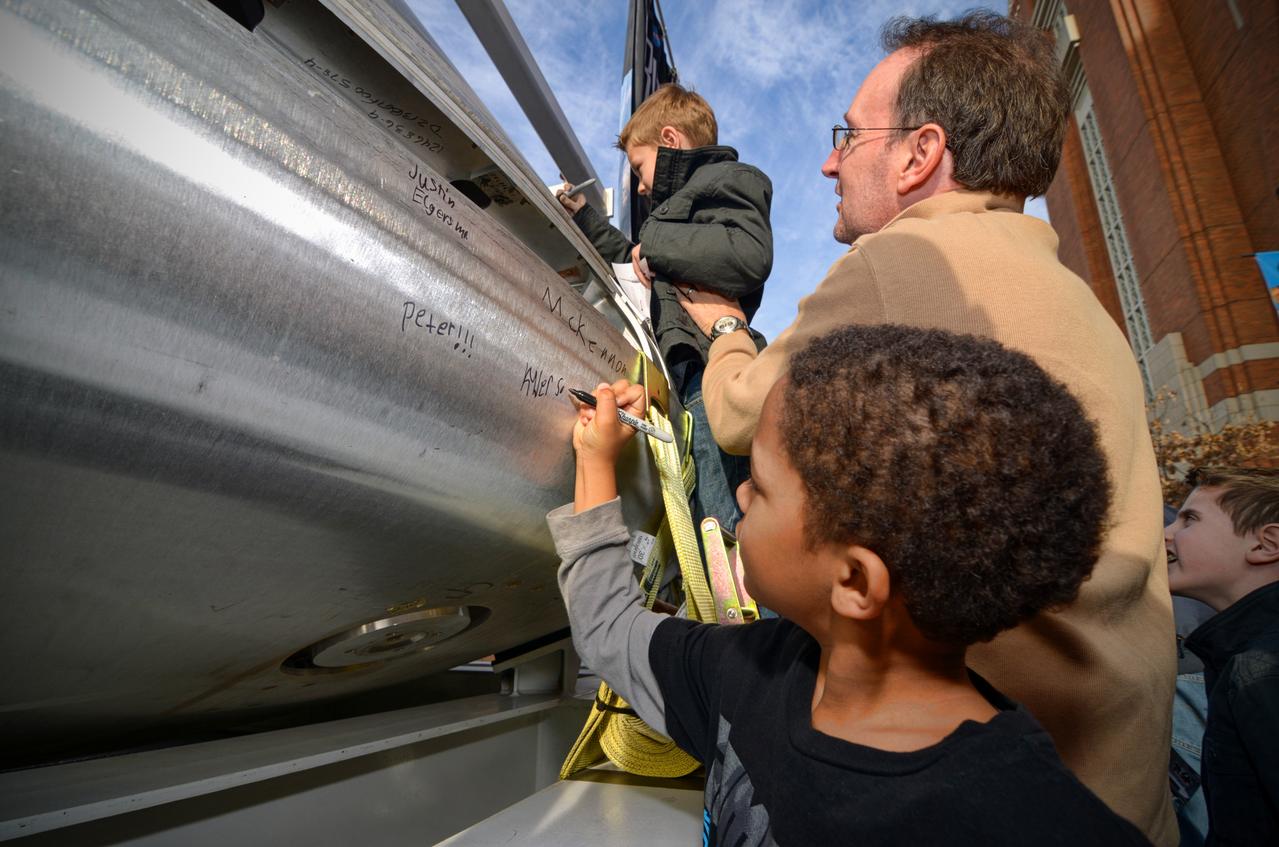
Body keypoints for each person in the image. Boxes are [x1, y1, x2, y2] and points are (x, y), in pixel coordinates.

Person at [675, 12, 1176, 842]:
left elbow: (738, 414)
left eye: (849, 134)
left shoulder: (901, 260)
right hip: (1115, 795)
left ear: (919, 154)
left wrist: (724, 325)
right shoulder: (1075, 296)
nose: (830, 160)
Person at [549, 325, 1149, 845]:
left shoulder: (1038, 826)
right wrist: (596, 462)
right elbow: (611, 631)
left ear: (855, 582)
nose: (739, 496)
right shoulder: (748, 673)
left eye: (760, 483)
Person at [557, 83, 772, 531]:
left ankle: (747, 596)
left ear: (670, 141)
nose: (639, 186)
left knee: (726, 519)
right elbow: (629, 257)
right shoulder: (674, 224)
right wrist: (582, 216)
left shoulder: (732, 180)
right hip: (687, 381)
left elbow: (748, 254)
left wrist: (654, 244)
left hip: (716, 371)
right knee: (703, 512)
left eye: (639, 168)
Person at [1165, 467, 1279, 845]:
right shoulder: (1241, 659)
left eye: (1190, 519)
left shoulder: (1261, 671)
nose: (1166, 534)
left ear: (1266, 545)